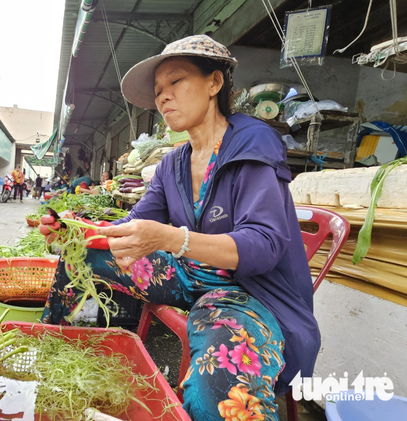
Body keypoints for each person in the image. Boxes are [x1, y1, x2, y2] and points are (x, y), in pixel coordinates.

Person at [40, 35, 319, 421]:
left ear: (214, 83)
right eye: (158, 91)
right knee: (83, 257)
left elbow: (264, 245)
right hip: (189, 277)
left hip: (249, 295)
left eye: (176, 81)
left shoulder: (253, 142)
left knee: (218, 397)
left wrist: (174, 238)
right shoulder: (173, 163)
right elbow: (132, 224)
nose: (163, 97)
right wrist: (73, 231)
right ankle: (64, 369)